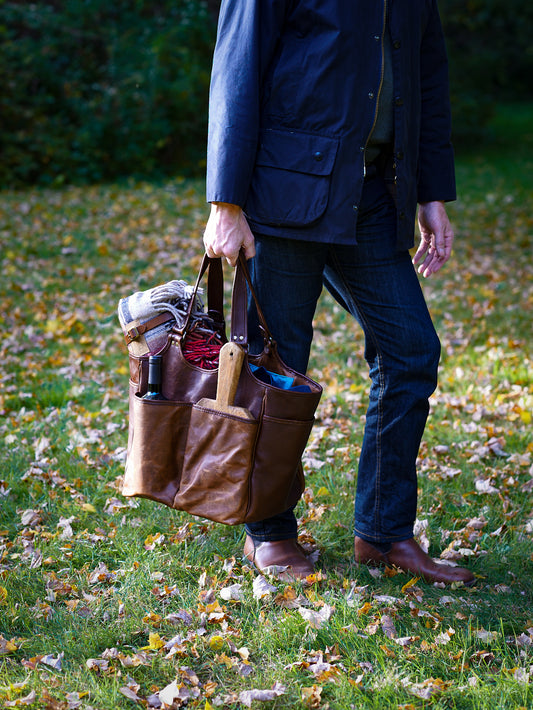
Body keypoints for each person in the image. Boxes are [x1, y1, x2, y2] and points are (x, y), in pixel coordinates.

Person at [203, 0, 475, 586]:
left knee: (410, 352)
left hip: (374, 199)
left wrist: (431, 192)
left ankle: (382, 532)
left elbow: (426, 76)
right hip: (282, 198)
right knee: (278, 371)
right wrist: (225, 203)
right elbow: (237, 67)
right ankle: (268, 533)